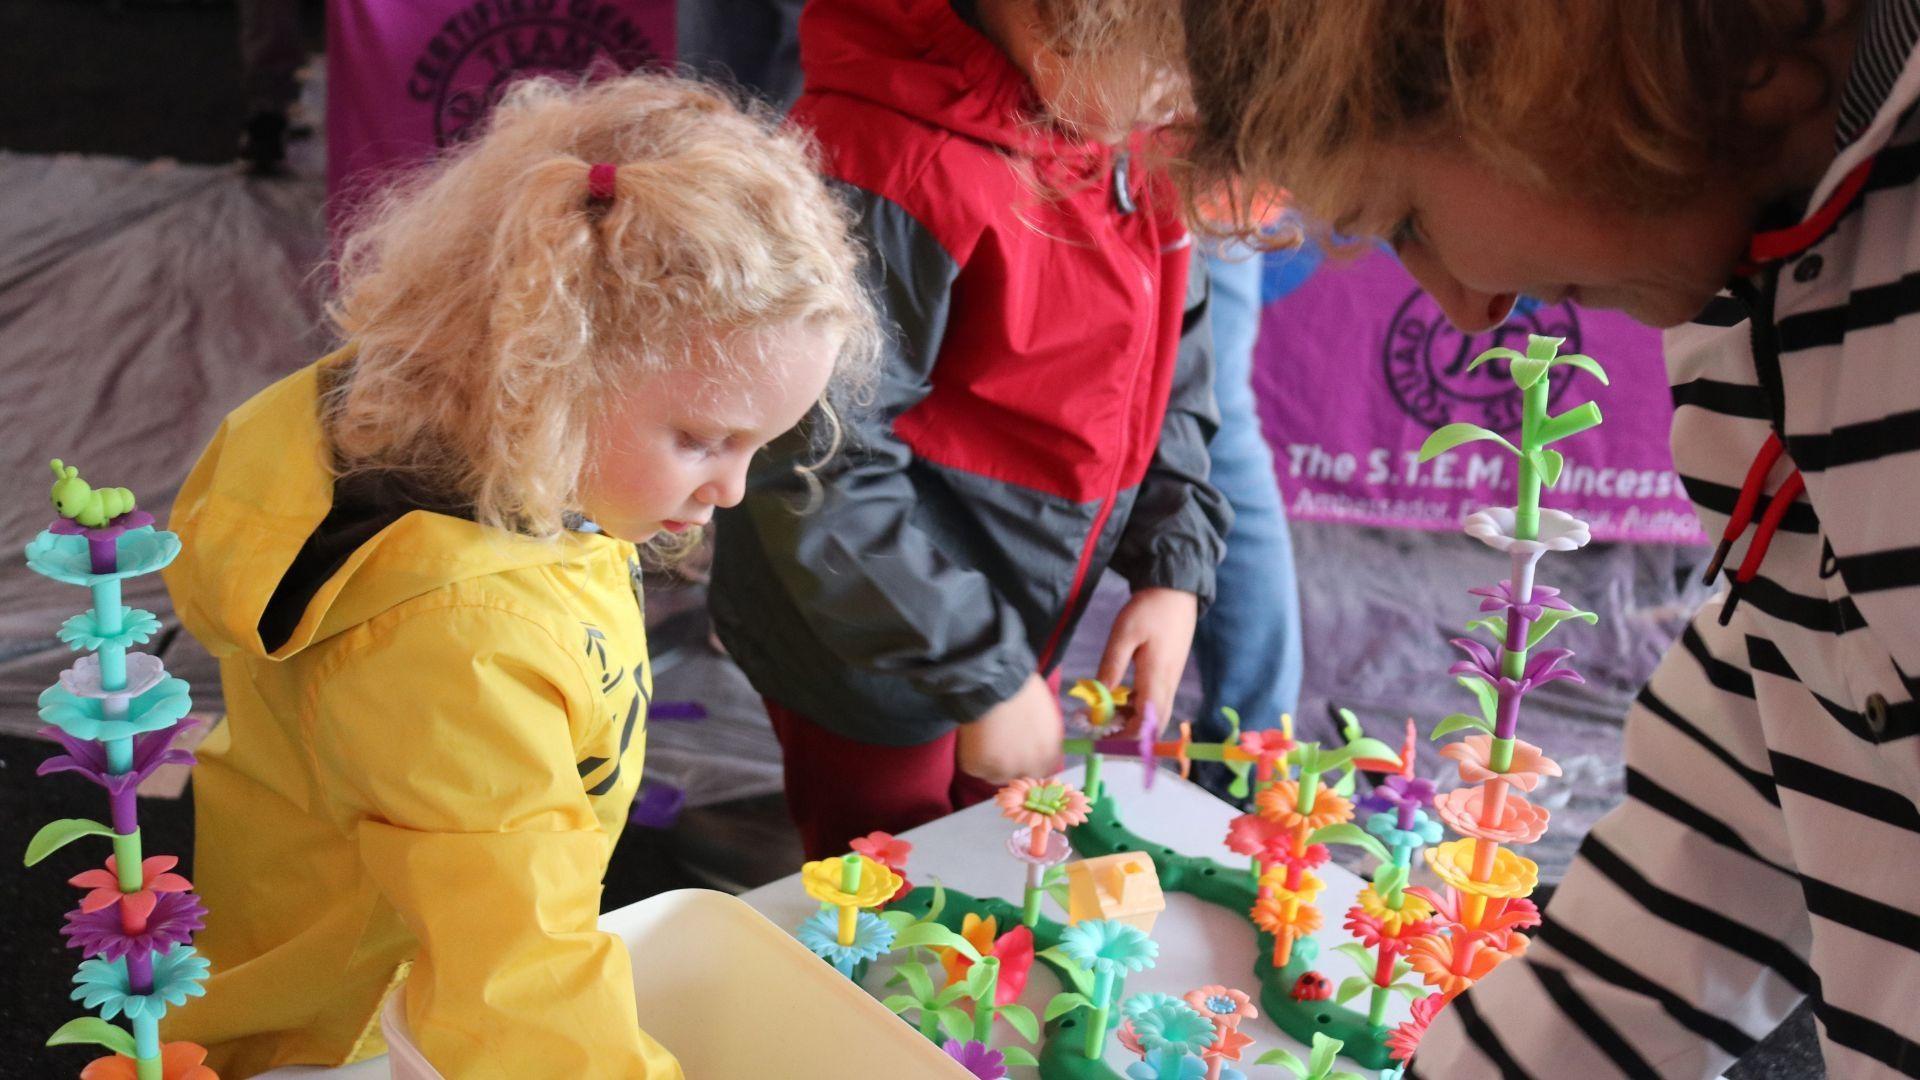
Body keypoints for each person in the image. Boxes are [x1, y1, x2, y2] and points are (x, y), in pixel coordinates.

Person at [1093, 0, 1918, 1075]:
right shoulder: (1735, 294)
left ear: (1526, 69)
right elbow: (1773, 740)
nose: (1467, 308)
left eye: (1407, 222)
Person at [160, 73, 876, 1077]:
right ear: (552, 370)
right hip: (353, 1033)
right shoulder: (456, 645)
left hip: (330, 942)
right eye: (705, 439)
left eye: (760, 445)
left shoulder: (461, 431)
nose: (731, 488)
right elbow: (512, 983)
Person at [708, 0, 1231, 860]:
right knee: (891, 890)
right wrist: (983, 672)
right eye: (1170, 62)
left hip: (1001, 623)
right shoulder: (884, 159)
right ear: (1053, 21)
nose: (1189, 97)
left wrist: (1173, 565)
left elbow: (1174, 362)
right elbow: (814, 466)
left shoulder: (1126, 124)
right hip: (867, 639)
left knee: (995, 857)